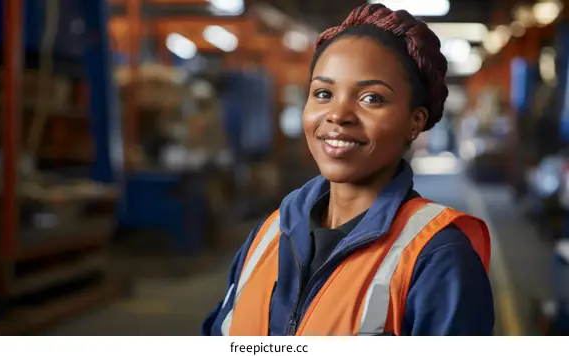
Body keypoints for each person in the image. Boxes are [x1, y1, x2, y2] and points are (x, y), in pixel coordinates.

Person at [201, 3, 494, 336]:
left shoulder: (439, 258)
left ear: (416, 122)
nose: (338, 114)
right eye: (323, 93)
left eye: (371, 98)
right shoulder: (268, 235)